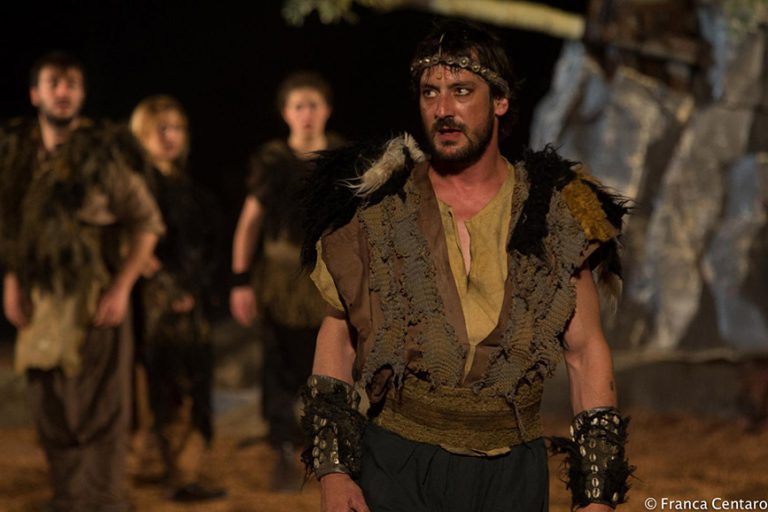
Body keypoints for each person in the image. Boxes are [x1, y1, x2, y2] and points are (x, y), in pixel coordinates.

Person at [299, 20, 633, 512]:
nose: (443, 110)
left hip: (510, 472)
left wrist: (597, 496)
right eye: (430, 92)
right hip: (397, 463)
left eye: (461, 91)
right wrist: (333, 470)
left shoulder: (555, 212)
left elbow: (585, 352)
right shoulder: (378, 210)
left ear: (499, 101)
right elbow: (339, 335)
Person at [0, 51, 164, 512]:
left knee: (101, 406)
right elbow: (14, 227)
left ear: (83, 95)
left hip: (94, 295)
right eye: (53, 82)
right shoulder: (18, 158)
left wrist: (121, 288)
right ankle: (68, 498)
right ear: (35, 94)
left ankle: (104, 500)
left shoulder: (104, 155)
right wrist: (12, 281)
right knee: (48, 402)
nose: (63, 91)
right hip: (40, 297)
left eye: (72, 83)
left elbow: (147, 223)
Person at [229, 71, 344, 490]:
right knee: (277, 362)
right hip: (280, 278)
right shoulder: (274, 161)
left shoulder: (341, 157)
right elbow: (249, 223)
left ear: (327, 110)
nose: (306, 114)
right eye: (298, 106)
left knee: (331, 361)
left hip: (328, 278)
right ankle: (281, 447)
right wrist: (240, 280)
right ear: (285, 113)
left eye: (313, 105)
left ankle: (330, 449)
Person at [129, 95, 225, 502]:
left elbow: (205, 246)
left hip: (190, 301)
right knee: (161, 384)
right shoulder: (137, 185)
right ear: (142, 135)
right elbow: (131, 245)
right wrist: (170, 290)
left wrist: (197, 289)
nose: (170, 137)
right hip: (153, 305)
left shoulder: (188, 188)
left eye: (177, 128)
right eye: (161, 129)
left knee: (188, 383)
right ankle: (163, 472)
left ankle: (180, 471)